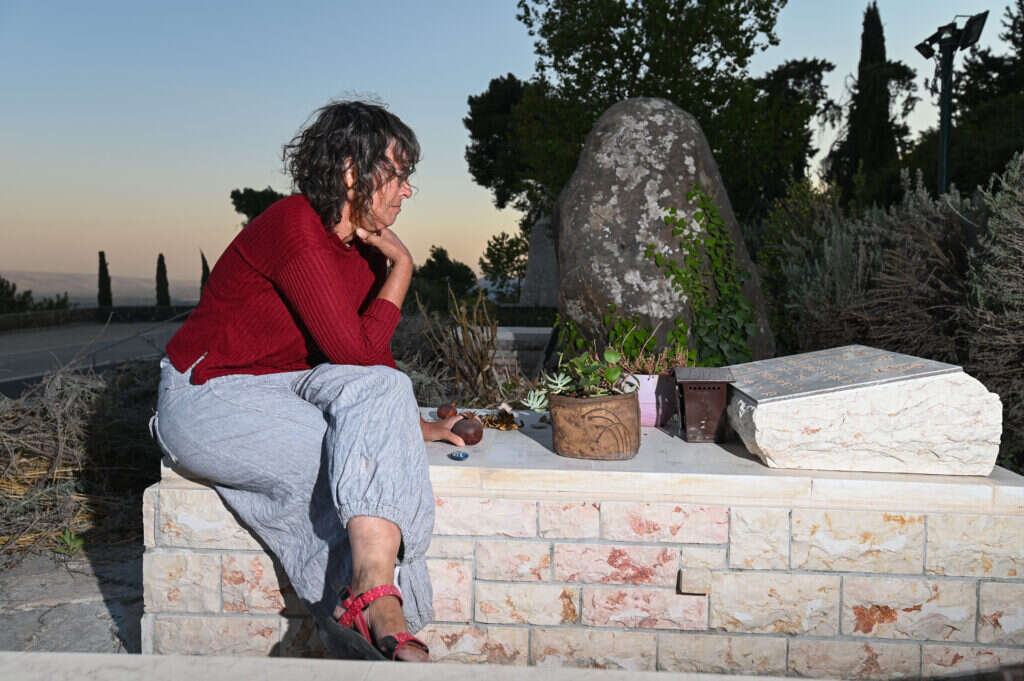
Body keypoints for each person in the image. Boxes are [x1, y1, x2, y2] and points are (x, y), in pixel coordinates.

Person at [150, 100, 464, 662]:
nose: (408, 190)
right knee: (344, 460)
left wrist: (409, 424)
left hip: (286, 388)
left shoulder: (361, 255)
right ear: (351, 171)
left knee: (389, 395)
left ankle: (369, 604)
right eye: (398, 173)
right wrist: (403, 270)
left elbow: (371, 368)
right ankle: (382, 616)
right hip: (207, 397)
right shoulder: (292, 225)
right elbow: (351, 352)